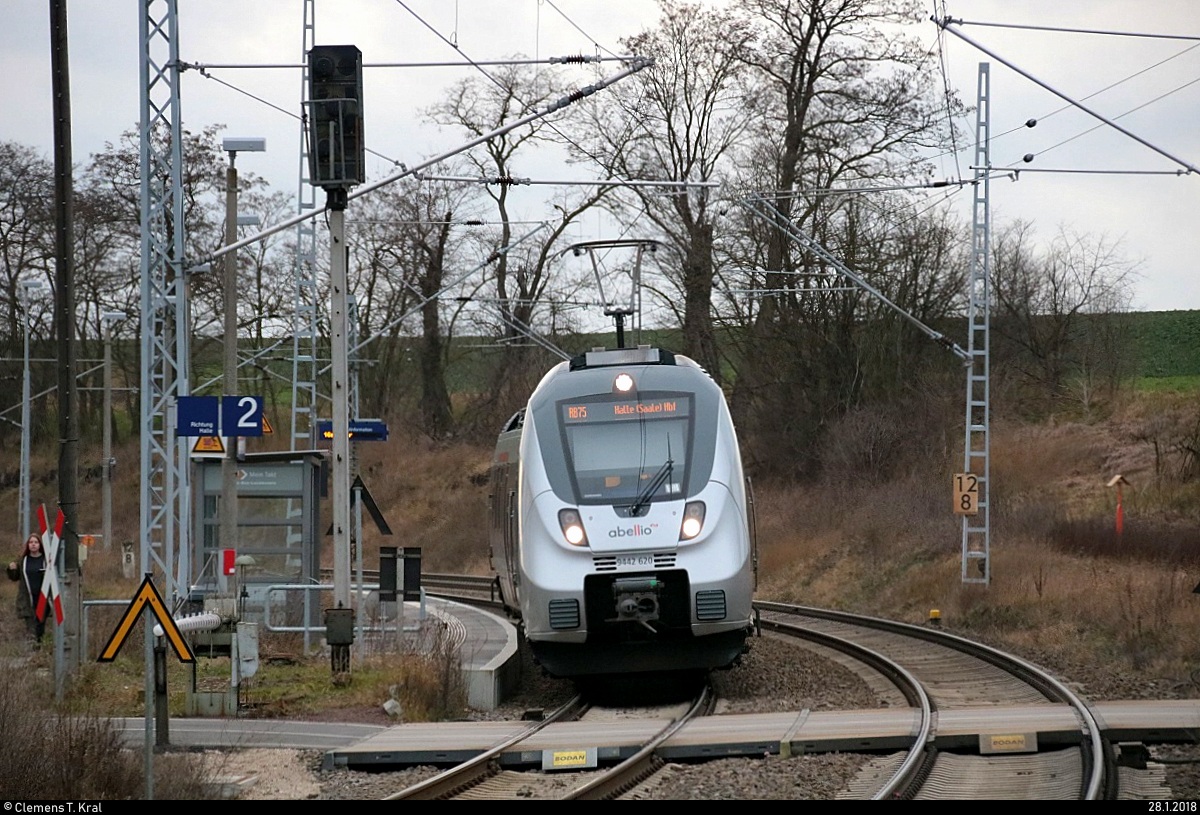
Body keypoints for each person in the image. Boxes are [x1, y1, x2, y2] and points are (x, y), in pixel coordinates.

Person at [7, 533, 47, 644]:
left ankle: (41, 647)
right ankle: (33, 649)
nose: (33, 545)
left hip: (43, 598)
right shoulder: (23, 561)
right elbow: (14, 577)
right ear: (28, 545)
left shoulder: (46, 560)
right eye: (31, 542)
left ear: (40, 545)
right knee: (31, 627)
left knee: (40, 626)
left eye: (36, 542)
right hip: (27, 599)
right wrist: (12, 569)